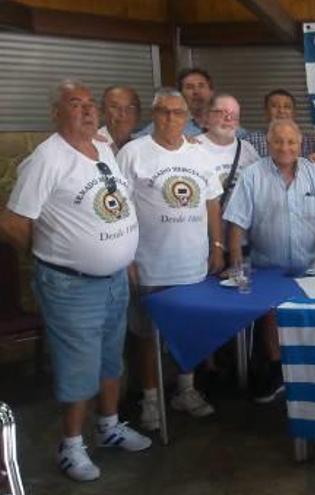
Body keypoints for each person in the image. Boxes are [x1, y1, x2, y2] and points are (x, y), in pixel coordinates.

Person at [0, 80, 151, 481]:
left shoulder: (101, 147)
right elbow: (13, 222)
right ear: (56, 112)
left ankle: (109, 427)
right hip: (71, 284)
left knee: (109, 359)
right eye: (74, 104)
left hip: (113, 278)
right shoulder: (46, 159)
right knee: (77, 369)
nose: (86, 111)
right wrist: (49, 251)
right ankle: (70, 447)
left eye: (89, 104)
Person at [117, 87, 225, 429]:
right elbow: (120, 206)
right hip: (149, 263)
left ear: (186, 118)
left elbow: (212, 202)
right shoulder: (134, 152)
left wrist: (217, 245)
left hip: (192, 263)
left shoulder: (200, 154)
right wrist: (126, 255)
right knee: (147, 335)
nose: (170, 118)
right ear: (153, 114)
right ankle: (150, 399)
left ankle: (186, 390)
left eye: (177, 113)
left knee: (187, 331)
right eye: (163, 111)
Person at [223, 119, 315, 401]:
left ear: (300, 143)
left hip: (309, 266)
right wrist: (236, 263)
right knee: (271, 317)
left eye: (291, 142)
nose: (285, 147)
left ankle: (310, 373)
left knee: (309, 317)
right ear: (268, 143)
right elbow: (237, 222)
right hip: (268, 268)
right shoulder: (252, 175)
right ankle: (278, 372)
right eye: (278, 141)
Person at [196, 93, 260, 202]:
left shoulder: (248, 150)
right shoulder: (193, 148)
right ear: (207, 116)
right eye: (222, 113)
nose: (229, 118)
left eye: (234, 115)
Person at [244, 89, 315, 158]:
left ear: (294, 113)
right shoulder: (251, 141)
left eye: (287, 106)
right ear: (266, 112)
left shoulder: (306, 141)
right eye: (274, 106)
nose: (281, 111)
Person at [98, 85, 141, 154]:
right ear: (102, 111)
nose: (123, 114)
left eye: (130, 107)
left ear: (138, 113)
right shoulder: (90, 144)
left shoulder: (142, 146)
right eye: (115, 107)